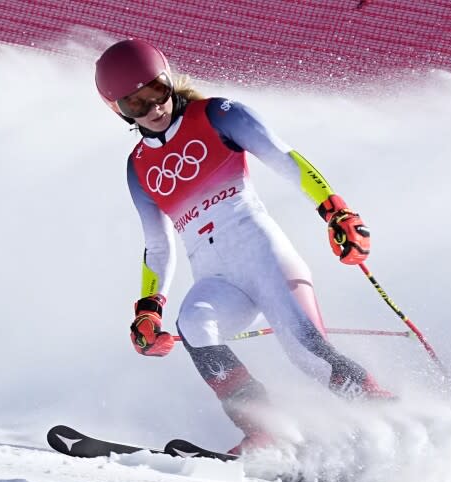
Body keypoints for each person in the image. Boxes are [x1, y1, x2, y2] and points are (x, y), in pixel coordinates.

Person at [95, 39, 393, 455]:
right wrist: (149, 308)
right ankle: (265, 432)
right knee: (195, 325)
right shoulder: (138, 167)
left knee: (307, 354)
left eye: (157, 93)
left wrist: (335, 212)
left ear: (169, 81)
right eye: (135, 105)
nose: (153, 110)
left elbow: (285, 158)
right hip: (216, 278)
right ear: (118, 111)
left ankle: (389, 420)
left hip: (263, 255)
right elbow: (157, 245)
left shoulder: (217, 114)